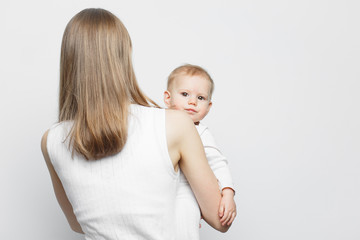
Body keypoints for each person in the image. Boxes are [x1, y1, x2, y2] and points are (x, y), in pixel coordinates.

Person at [41, 8, 230, 240]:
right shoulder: (174, 124)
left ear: (69, 61)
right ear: (123, 58)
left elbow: (78, 223)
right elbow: (220, 220)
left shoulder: (51, 140)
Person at [164, 64, 236, 240]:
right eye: (185, 94)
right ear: (168, 98)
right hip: (161, 193)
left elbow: (218, 163)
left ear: (209, 106)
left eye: (201, 97)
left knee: (183, 230)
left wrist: (227, 192)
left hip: (185, 195)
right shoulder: (159, 122)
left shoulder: (202, 133)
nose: (192, 102)